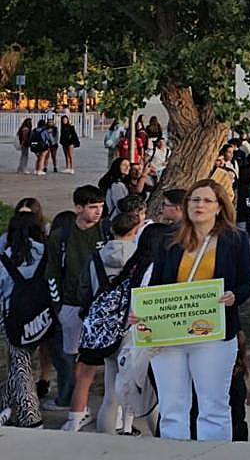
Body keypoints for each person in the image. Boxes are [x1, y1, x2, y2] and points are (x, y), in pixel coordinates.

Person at [139, 180, 250, 440]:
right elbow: (156, 284)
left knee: (213, 407)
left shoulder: (235, 239)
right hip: (170, 333)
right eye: (194, 200)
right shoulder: (170, 238)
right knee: (172, 408)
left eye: (206, 200)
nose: (199, 205)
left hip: (214, 334)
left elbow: (247, 283)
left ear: (219, 207)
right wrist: (144, 312)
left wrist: (235, 296)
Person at [61, 211, 141, 433]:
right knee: (130, 383)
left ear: (111, 230)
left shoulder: (95, 258)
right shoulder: (140, 258)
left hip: (102, 328)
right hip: (130, 325)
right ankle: (126, 427)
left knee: (110, 390)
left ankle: (105, 435)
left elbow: (83, 292)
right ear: (135, 231)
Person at [44, 184, 107, 411]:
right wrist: (58, 305)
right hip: (70, 304)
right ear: (78, 208)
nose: (98, 212)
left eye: (100, 206)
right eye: (92, 207)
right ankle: (67, 399)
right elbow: (51, 272)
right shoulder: (62, 236)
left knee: (100, 356)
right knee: (68, 355)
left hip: (100, 305)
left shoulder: (106, 231)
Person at [0, 211, 49, 428]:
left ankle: (31, 417)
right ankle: (4, 404)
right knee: (21, 363)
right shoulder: (46, 252)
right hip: (42, 316)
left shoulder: (6, 258)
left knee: (21, 365)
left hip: (12, 318)